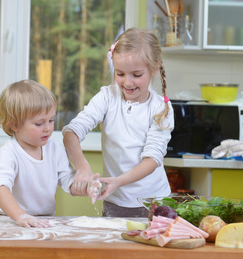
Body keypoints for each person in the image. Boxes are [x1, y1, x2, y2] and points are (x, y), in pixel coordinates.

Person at [62, 27, 174, 218]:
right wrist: (82, 167)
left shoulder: (160, 108)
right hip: (115, 202)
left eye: (136, 75)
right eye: (120, 74)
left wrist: (119, 181)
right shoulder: (107, 97)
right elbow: (71, 133)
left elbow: (152, 160)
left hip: (154, 203)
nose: (128, 82)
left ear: (155, 68)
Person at [0, 79, 100, 228]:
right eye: (39, 123)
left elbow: (68, 180)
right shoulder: (9, 153)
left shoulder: (55, 149)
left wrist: (86, 187)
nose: (47, 128)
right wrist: (20, 216)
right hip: (11, 220)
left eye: (51, 120)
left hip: (44, 220)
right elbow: (0, 187)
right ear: (15, 124)